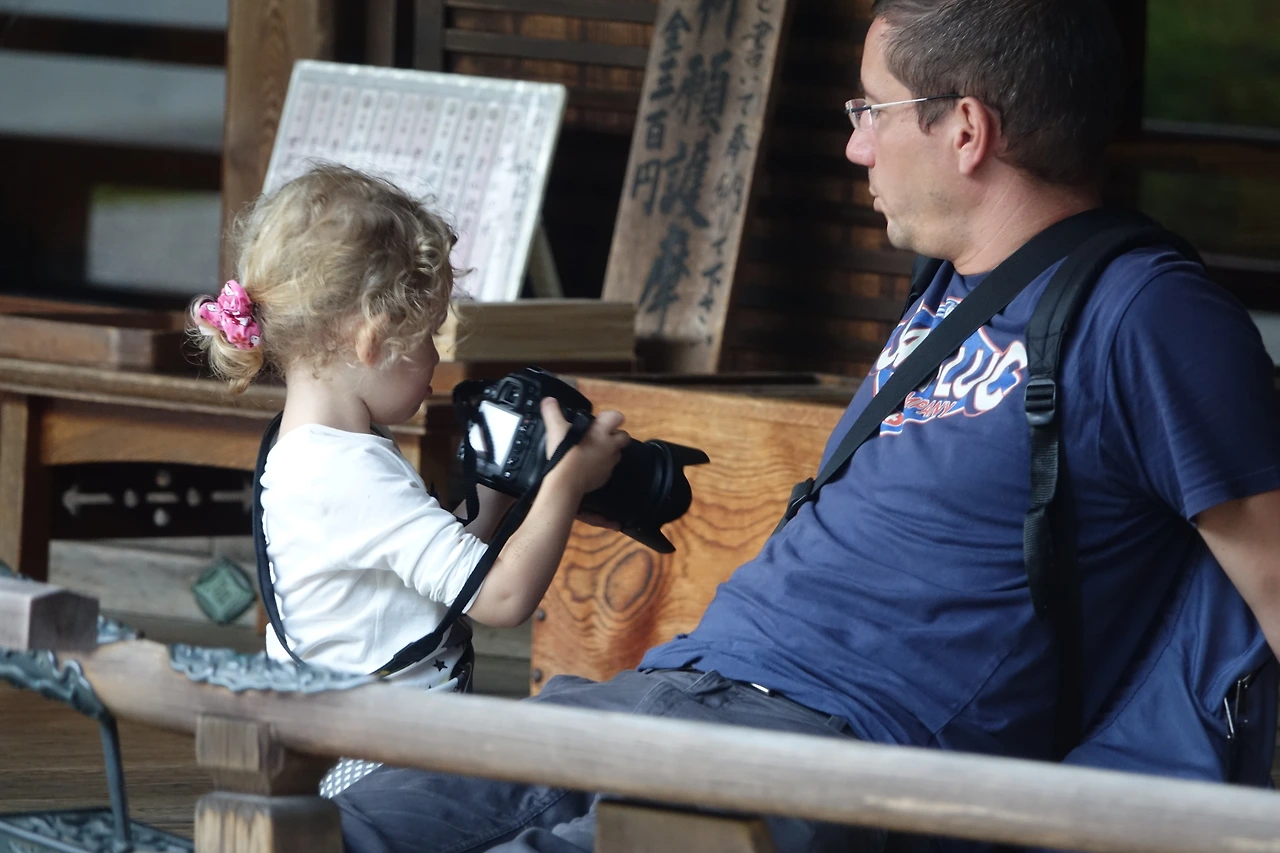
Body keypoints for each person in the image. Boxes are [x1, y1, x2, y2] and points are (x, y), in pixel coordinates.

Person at [334, 0, 1280, 850]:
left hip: (838, 750)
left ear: (966, 130)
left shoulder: (1148, 314)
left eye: (872, 111)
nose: (856, 146)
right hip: (677, 687)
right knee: (333, 826)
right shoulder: (951, 288)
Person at [190, 164, 629, 796]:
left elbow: (429, 574)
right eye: (427, 336)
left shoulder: (312, 448)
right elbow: (503, 600)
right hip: (378, 768)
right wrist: (568, 478)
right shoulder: (346, 472)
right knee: (582, 760)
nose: (437, 358)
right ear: (372, 340)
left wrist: (494, 501)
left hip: (360, 748)